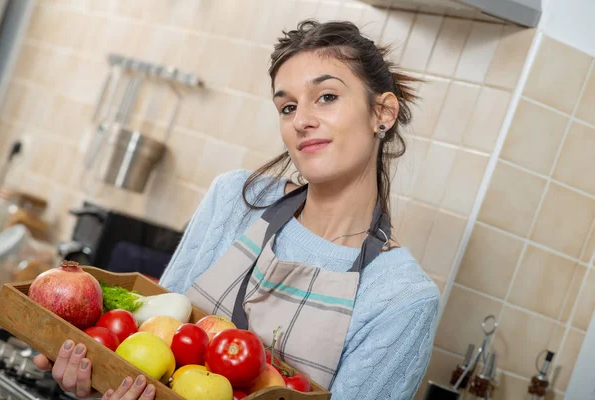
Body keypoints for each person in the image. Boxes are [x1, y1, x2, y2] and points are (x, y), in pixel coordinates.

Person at [34, 19, 440, 400]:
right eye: (288, 107)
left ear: (382, 113)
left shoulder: (401, 298)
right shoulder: (235, 199)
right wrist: (94, 382)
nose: (302, 121)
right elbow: (151, 332)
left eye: (327, 97)